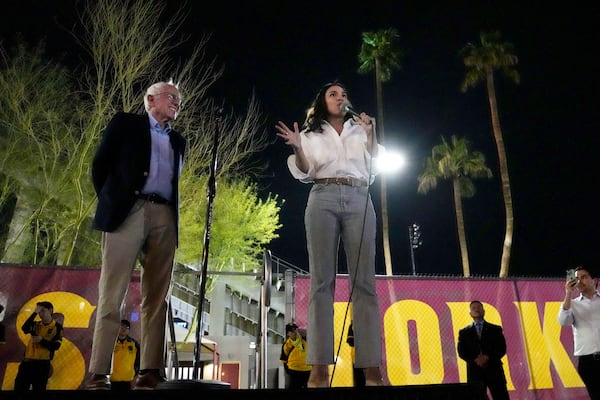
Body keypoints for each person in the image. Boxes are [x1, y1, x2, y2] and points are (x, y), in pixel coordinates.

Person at [275, 81, 385, 387]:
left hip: (359, 196)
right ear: (323, 102)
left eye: (344, 94)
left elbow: (376, 163)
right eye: (333, 94)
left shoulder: (359, 128)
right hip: (322, 195)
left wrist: (371, 134)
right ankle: (319, 370)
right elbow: (304, 170)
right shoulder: (311, 135)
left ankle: (372, 369)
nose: (340, 98)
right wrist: (298, 146)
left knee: (364, 284)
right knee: (321, 283)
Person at [86, 81, 186, 390]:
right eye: (172, 97)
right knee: (112, 293)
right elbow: (100, 165)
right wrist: (112, 202)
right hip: (128, 210)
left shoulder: (179, 140)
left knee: (157, 298)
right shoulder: (126, 123)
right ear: (150, 99)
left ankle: (149, 371)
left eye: (180, 101)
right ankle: (99, 372)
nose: (177, 104)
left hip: (165, 215)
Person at [557, 265, 600, 399]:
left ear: (595, 280)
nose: (579, 281)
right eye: (576, 278)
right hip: (588, 361)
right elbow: (563, 321)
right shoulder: (571, 304)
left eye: (584, 277)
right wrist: (568, 293)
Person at [457, 300, 510, 400]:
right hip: (475, 372)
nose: (476, 309)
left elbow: (501, 348)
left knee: (500, 396)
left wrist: (487, 357)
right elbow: (462, 351)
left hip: (494, 371)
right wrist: (475, 359)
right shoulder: (464, 332)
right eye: (473, 308)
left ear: (484, 311)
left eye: (479, 307)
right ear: (470, 313)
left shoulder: (495, 329)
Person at [14, 301, 63, 391]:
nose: (40, 313)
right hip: (27, 362)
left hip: (42, 364)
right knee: (19, 387)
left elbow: (56, 346)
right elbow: (24, 328)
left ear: (50, 310)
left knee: (39, 388)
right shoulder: (35, 324)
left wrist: (42, 341)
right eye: (38, 311)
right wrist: (34, 313)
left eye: (42, 310)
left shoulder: (57, 327)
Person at [110, 319, 140, 391]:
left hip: (128, 379)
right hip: (113, 379)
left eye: (127, 327)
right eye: (122, 326)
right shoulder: (111, 343)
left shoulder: (134, 344)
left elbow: (139, 359)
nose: (124, 329)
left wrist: (135, 372)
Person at [280, 322, 311, 389]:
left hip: (307, 369)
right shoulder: (287, 344)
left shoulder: (306, 340)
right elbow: (284, 359)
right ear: (288, 333)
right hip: (294, 370)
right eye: (292, 331)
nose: (295, 332)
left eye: (296, 330)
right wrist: (288, 370)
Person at [346, 322, 365, 387]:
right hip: (357, 360)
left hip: (365, 360)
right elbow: (350, 341)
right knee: (359, 379)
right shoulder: (353, 325)